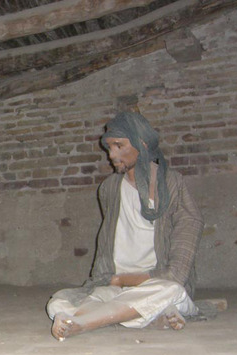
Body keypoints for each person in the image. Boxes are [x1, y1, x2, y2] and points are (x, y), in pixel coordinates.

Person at [47, 111, 204, 340]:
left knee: (171, 291)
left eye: (119, 146)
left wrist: (123, 280)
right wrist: (116, 282)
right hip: (114, 285)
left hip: (154, 282)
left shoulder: (173, 185)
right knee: (58, 300)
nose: (111, 155)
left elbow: (176, 274)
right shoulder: (110, 188)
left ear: (142, 144)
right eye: (110, 147)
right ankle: (144, 315)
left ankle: (82, 322)